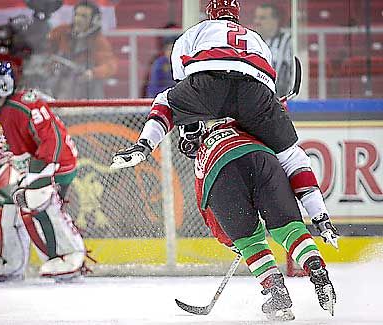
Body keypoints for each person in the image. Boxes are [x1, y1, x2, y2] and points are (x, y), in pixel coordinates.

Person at [111, 0, 338, 250]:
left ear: (210, 13)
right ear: (237, 16)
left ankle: (144, 145)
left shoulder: (197, 31)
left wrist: (192, 126)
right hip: (256, 93)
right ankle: (321, 216)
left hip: (209, 84)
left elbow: (183, 82)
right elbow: (266, 86)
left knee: (165, 100)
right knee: (292, 156)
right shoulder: (256, 38)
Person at [183, 118, 336, 320]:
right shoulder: (249, 126)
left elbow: (208, 212)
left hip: (220, 176)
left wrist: (233, 241)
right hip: (263, 158)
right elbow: (297, 168)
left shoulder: (202, 161)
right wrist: (319, 216)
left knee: (250, 242)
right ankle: (317, 270)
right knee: (289, 229)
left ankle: (277, 293)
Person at [0, 61, 87, 282]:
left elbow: (52, 137)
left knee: (35, 200)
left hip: (57, 163)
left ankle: (69, 254)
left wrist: (39, 173)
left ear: (3, 86)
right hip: (25, 168)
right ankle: (9, 260)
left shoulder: (28, 104)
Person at [47, 0, 117, 99]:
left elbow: (109, 65)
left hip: (85, 89)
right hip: (58, 85)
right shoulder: (61, 31)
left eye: (83, 16)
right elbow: (45, 50)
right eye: (76, 15)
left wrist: (92, 73)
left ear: (94, 20)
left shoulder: (99, 41)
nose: (78, 19)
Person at [253, 3, 293, 98]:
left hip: (282, 101)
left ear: (275, 21)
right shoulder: (252, 42)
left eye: (262, 18)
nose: (257, 22)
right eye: (256, 17)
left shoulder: (288, 42)